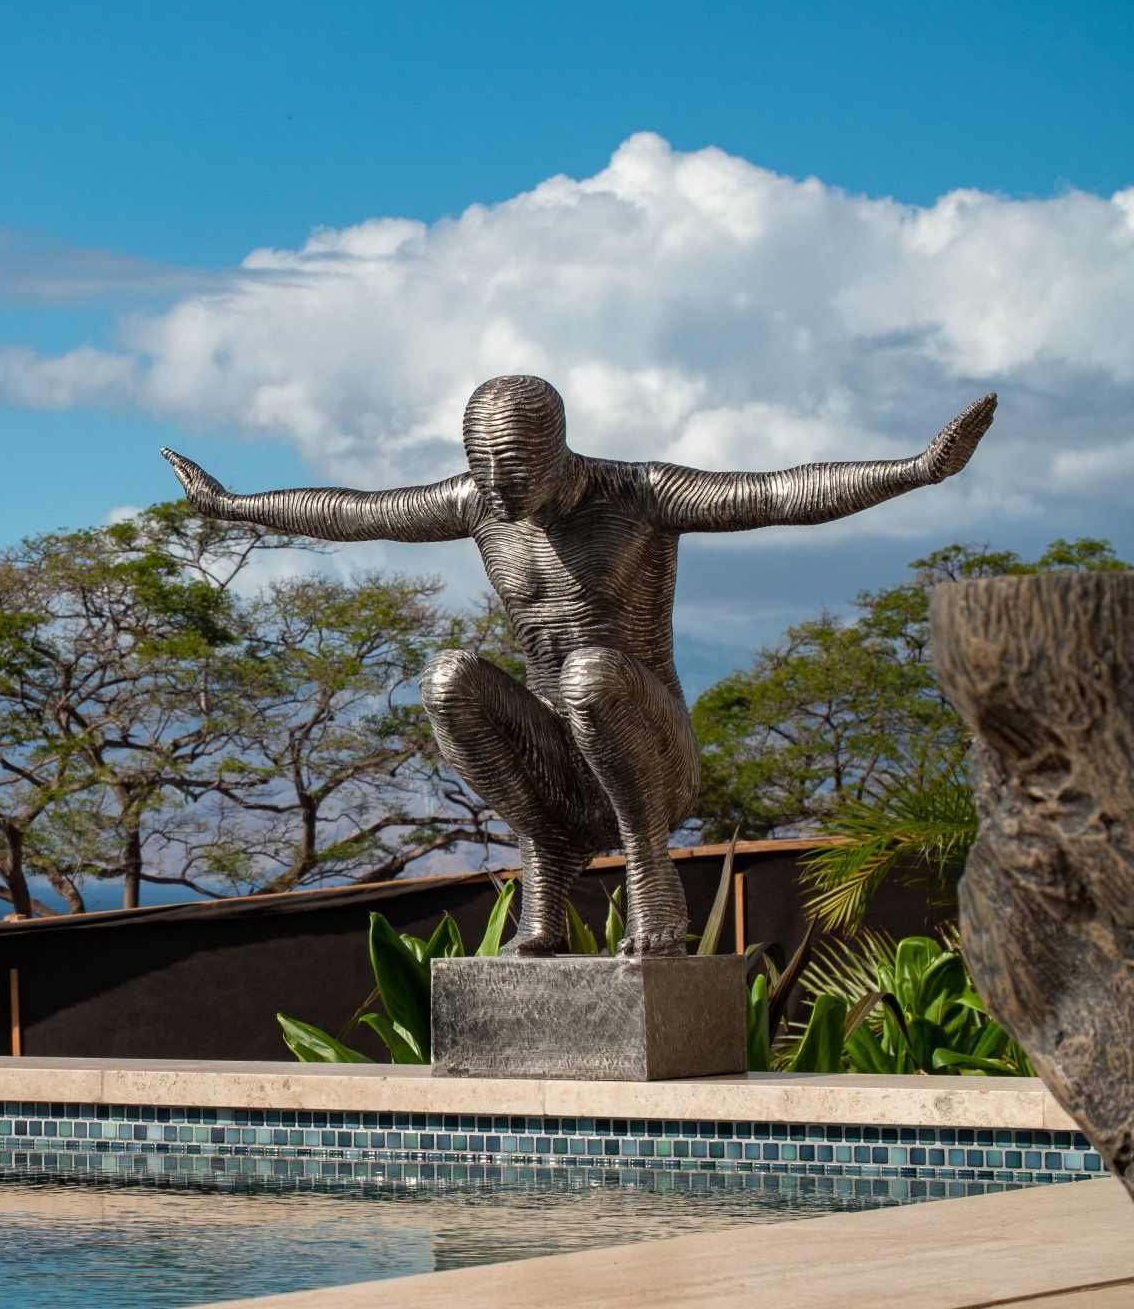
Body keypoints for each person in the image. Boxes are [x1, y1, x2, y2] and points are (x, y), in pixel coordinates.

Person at [164, 375, 996, 956]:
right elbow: (355, 511)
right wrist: (233, 505)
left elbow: (777, 493)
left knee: (590, 674)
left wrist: (920, 470)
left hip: (653, 754)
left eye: (514, 464)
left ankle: (648, 869)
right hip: (559, 765)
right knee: (449, 677)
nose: (495, 483)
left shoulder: (636, 492)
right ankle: (548, 859)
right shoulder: (476, 503)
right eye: (481, 463)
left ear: (556, 449)